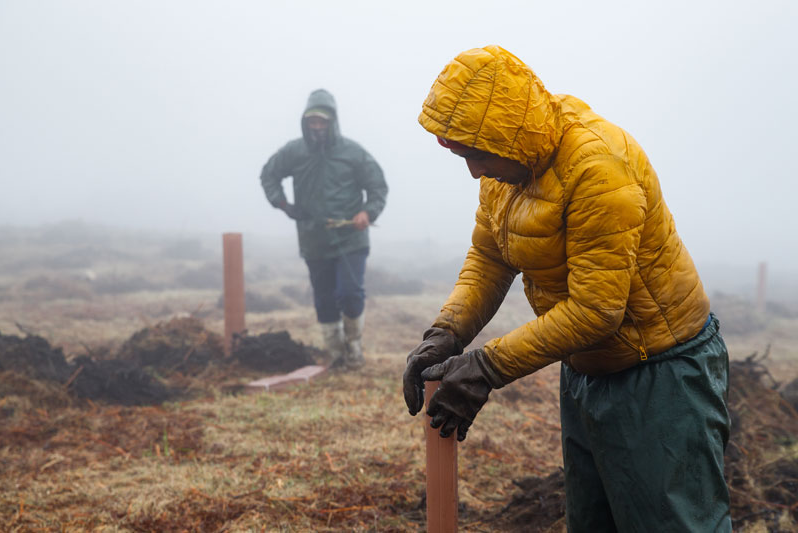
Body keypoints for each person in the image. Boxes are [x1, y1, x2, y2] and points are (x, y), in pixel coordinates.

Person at [403, 45, 731, 531]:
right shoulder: (506, 169)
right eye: (464, 155)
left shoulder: (599, 167)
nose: (474, 170)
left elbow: (598, 311)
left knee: (673, 524)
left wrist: (485, 367)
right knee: (594, 522)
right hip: (585, 371)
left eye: (477, 154)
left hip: (662, 375)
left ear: (507, 135)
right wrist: (447, 333)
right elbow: (490, 257)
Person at [260, 89, 387, 370]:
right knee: (325, 298)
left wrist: (368, 212)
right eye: (312, 122)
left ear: (333, 122)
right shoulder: (293, 152)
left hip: (351, 237)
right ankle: (336, 354)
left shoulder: (353, 153)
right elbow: (268, 175)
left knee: (350, 294)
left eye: (322, 122)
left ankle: (353, 347)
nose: (317, 127)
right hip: (313, 238)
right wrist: (283, 204)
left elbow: (377, 186)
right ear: (305, 123)